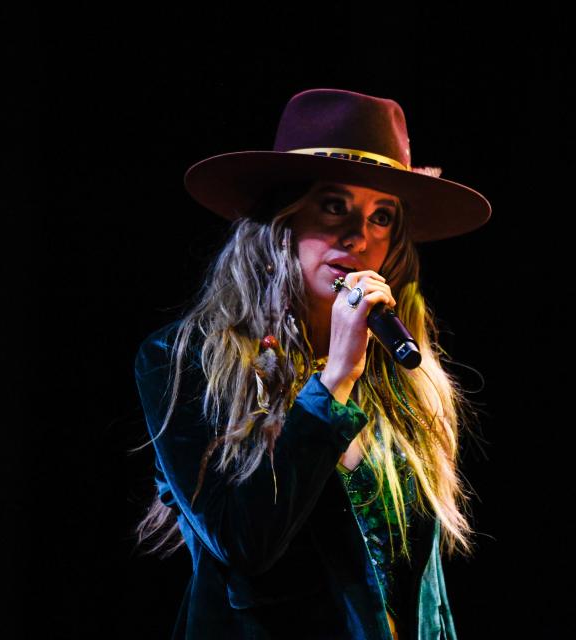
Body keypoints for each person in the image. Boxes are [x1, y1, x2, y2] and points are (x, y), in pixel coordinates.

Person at [133, 88, 491, 639]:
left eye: (381, 216)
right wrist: (333, 381)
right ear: (283, 218)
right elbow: (243, 542)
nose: (357, 236)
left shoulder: (403, 375)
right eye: (333, 204)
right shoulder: (186, 361)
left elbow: (426, 592)